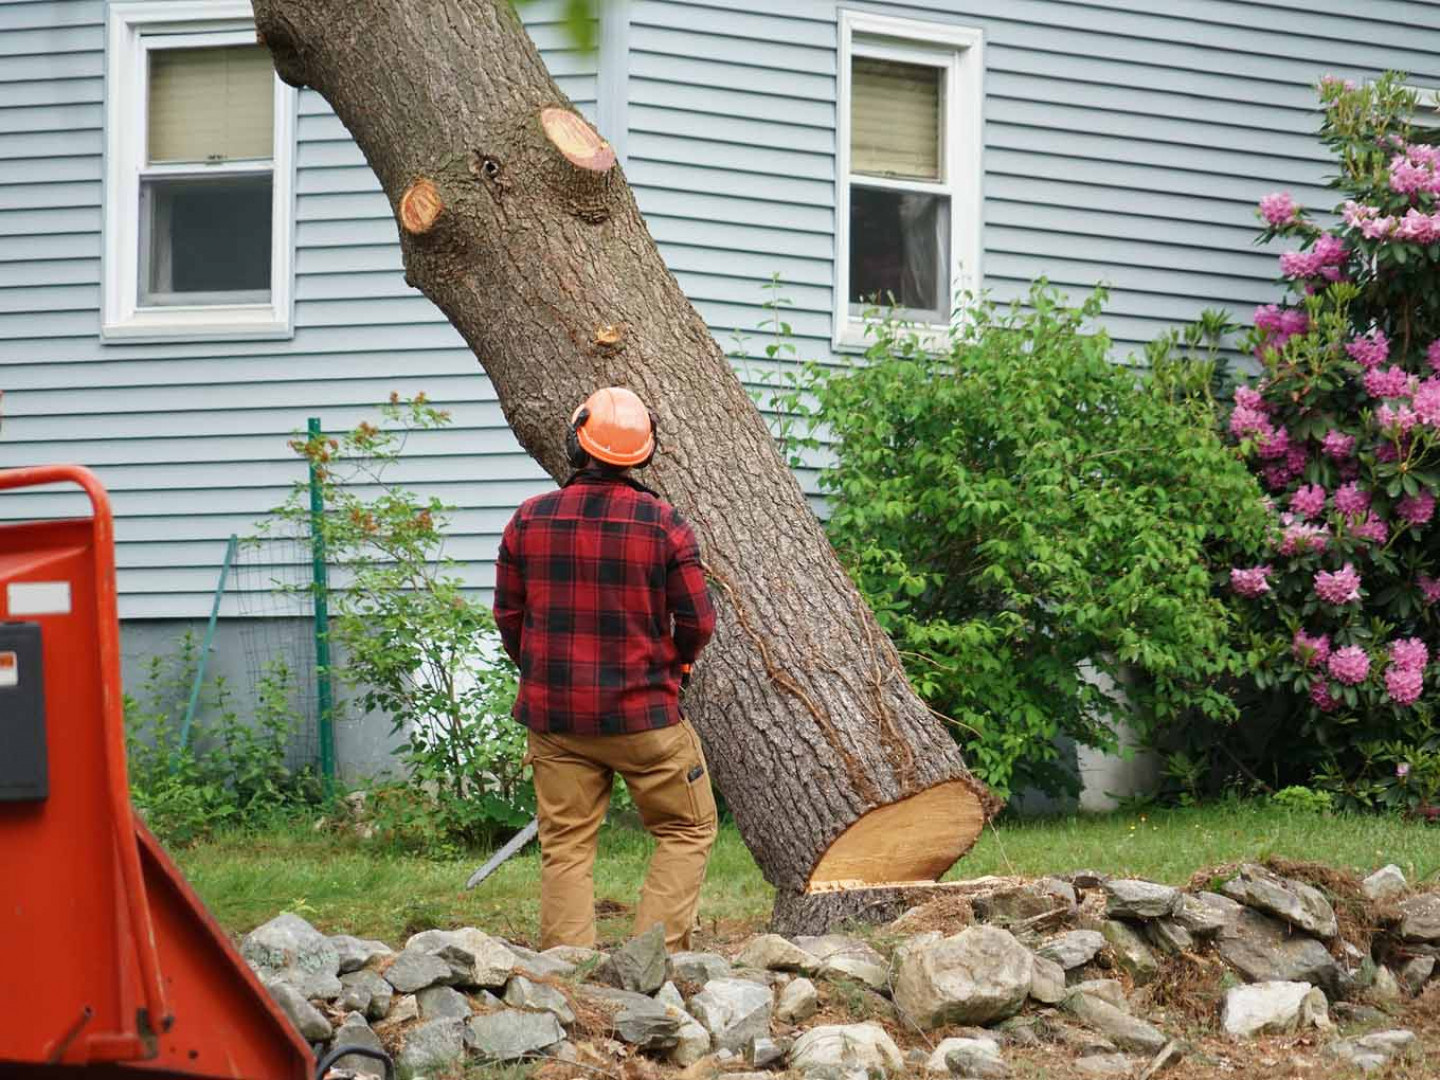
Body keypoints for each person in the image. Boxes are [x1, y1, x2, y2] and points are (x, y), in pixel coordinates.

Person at [493, 386, 718, 951]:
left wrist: (544, 674)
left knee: (566, 843)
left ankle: (564, 977)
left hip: (557, 719)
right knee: (687, 827)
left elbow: (508, 616)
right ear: (645, 453)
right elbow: (698, 621)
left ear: (577, 444)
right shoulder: (664, 525)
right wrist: (679, 666)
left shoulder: (528, 519)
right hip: (645, 718)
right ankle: (653, 963)